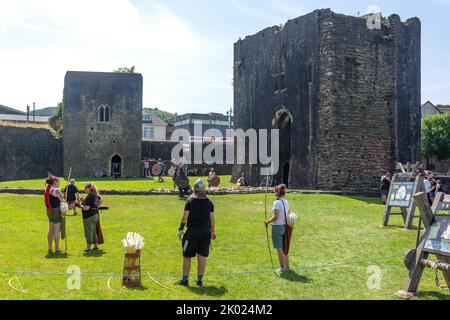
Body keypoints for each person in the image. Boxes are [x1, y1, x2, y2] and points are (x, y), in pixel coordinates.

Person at [177, 179, 216, 287]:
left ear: (194, 189)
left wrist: (180, 229)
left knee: (186, 256)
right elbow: (212, 220)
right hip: (206, 232)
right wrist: (213, 232)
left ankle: (185, 281)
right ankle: (199, 281)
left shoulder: (190, 201)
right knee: (202, 256)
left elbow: (185, 218)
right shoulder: (209, 202)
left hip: (192, 232)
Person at [265, 184, 290, 272]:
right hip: (285, 227)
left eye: (275, 191)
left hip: (277, 227)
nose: (274, 193)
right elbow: (288, 214)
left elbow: (275, 217)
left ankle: (282, 267)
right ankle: (287, 267)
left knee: (279, 248)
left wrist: (267, 222)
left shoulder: (277, 203)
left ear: (277, 192)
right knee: (285, 247)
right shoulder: (286, 202)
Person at [44, 175, 66, 254]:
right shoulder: (56, 189)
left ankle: (50, 248)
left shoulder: (48, 188)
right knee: (56, 231)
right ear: (55, 182)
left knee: (51, 230)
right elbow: (62, 200)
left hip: (49, 211)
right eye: (58, 182)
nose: (59, 183)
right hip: (55, 210)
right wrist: (64, 201)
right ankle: (57, 248)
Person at [78, 183, 103, 253]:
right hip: (95, 215)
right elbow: (101, 200)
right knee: (94, 231)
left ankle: (88, 248)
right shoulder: (95, 196)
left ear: (89, 188)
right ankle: (96, 246)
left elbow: (86, 208)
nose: (84, 189)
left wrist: (78, 205)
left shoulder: (89, 197)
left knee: (88, 231)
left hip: (88, 216)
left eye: (85, 188)